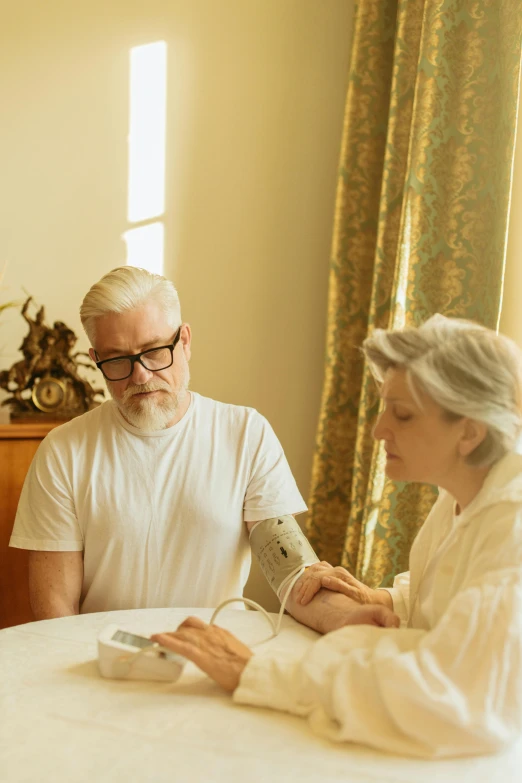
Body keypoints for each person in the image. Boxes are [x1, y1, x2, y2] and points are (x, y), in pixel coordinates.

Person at [151, 314, 522, 758]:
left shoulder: (513, 530)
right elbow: (458, 592)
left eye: (401, 414)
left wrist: (255, 671)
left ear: (470, 431)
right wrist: (385, 600)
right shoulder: (465, 497)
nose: (378, 430)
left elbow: (447, 699)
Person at [10, 266, 397, 634]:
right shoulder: (64, 451)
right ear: (96, 360)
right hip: (104, 659)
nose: (141, 375)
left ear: (185, 341)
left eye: (155, 350)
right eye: (117, 360)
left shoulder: (245, 433)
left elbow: (291, 573)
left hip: (214, 655)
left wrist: (351, 618)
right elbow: (55, 613)